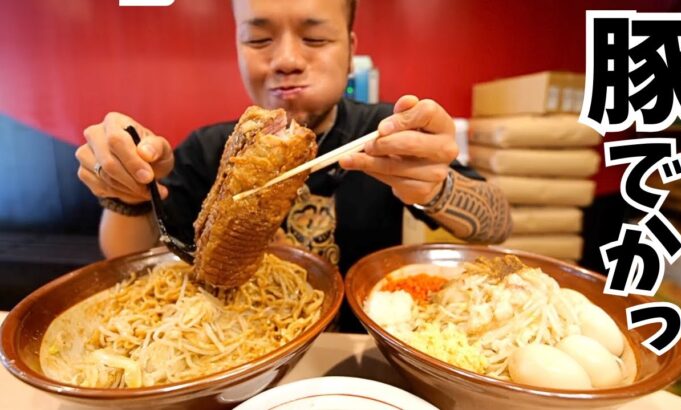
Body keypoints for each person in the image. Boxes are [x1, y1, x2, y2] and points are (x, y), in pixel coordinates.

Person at [75, 0, 512, 330]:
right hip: (237, 349)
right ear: (237, 45)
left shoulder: (384, 133)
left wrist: (436, 188)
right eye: (259, 39)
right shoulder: (212, 148)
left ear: (350, 48)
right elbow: (122, 256)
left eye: (315, 38)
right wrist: (128, 190)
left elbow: (498, 223)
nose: (285, 60)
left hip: (359, 348)